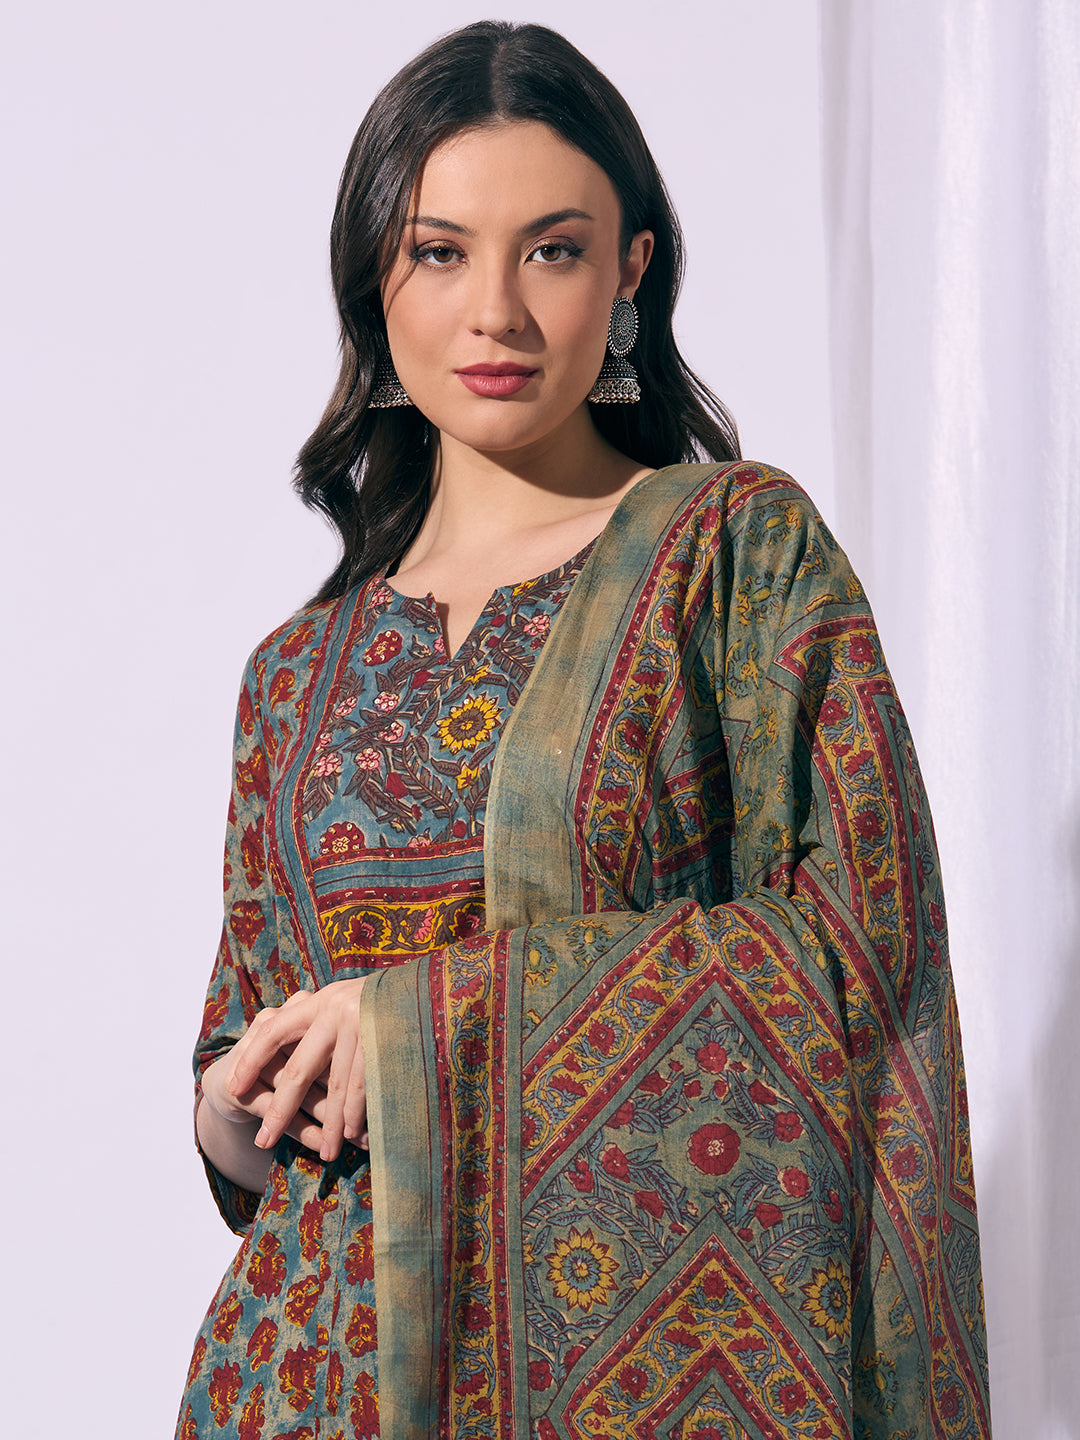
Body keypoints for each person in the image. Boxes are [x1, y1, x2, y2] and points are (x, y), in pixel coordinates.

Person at [177, 21, 990, 1440]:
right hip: (303, 1381)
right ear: (374, 283)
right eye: (440, 253)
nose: (495, 311)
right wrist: (240, 1101)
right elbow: (240, 1068)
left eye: (551, 250)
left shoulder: (731, 555)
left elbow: (866, 950)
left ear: (631, 272)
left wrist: (424, 1025)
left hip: (628, 1382)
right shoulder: (294, 673)